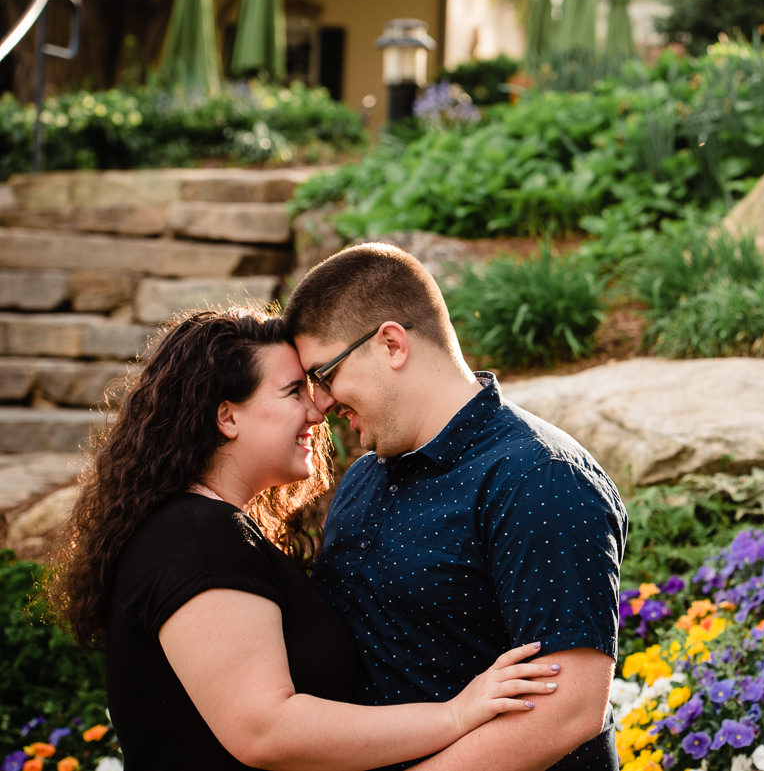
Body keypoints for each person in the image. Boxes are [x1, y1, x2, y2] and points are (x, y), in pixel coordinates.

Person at [47, 308, 561, 771]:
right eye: (294, 391)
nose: (319, 410)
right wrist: (454, 716)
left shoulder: (205, 529)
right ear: (227, 416)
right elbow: (266, 731)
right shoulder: (198, 538)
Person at [283, 242, 628, 771]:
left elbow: (569, 709)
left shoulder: (538, 478)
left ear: (391, 344)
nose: (320, 403)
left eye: (323, 376)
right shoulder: (361, 479)